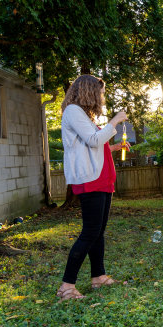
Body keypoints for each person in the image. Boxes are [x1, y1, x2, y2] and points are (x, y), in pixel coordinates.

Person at [56, 75, 129, 300]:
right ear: (89, 91)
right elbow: (94, 141)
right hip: (90, 179)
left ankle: (98, 277)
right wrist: (115, 121)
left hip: (102, 178)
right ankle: (66, 287)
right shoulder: (73, 111)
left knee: (98, 232)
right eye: (100, 92)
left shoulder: (84, 115)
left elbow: (95, 143)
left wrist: (114, 147)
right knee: (90, 232)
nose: (102, 97)